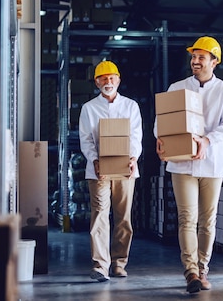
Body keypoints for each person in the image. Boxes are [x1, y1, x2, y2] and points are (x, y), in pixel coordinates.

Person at [155, 36, 223, 293]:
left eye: (201, 57)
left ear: (214, 61)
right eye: (193, 56)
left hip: (212, 163)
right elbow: (163, 119)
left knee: (207, 220)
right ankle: (190, 271)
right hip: (182, 165)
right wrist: (160, 139)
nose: (195, 61)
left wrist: (207, 140)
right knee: (186, 218)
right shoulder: (177, 88)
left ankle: (203, 269)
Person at [79, 60, 143, 283]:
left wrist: (133, 157)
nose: (108, 82)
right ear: (96, 82)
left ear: (118, 80)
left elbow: (136, 136)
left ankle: (119, 263)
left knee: (123, 217)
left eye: (111, 77)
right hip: (98, 172)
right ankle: (100, 265)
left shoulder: (130, 106)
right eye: (103, 78)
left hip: (126, 169)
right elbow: (86, 139)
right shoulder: (89, 108)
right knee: (100, 216)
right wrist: (95, 160)